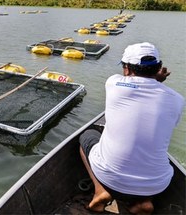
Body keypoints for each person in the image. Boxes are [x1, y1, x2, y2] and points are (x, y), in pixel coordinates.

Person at [79, 42, 184, 214]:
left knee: (87, 135)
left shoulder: (113, 84)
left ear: (126, 69)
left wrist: (156, 79)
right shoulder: (177, 100)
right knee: (152, 150)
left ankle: (100, 190)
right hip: (156, 186)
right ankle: (144, 201)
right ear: (158, 67)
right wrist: (158, 81)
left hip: (109, 179)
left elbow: (137, 85)